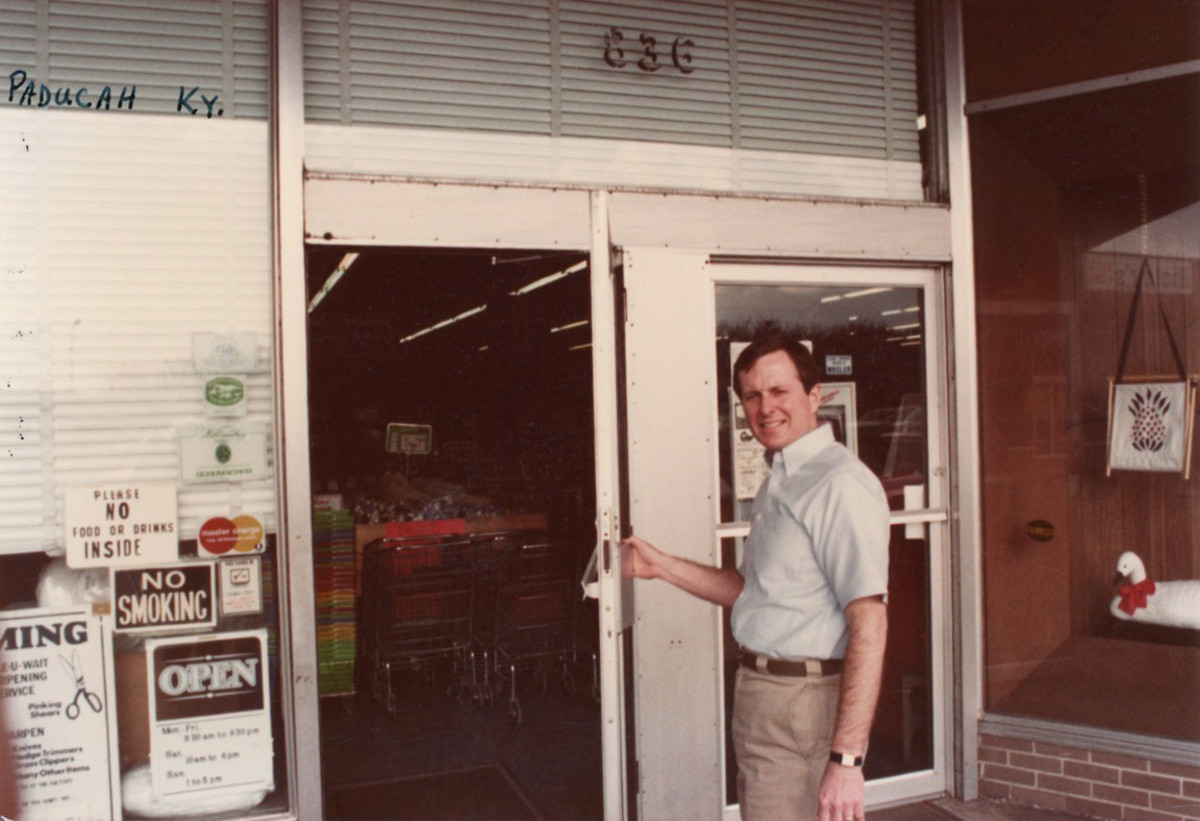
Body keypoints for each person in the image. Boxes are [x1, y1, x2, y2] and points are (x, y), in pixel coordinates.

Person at [624, 334, 889, 821]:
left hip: (802, 704)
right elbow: (752, 591)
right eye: (752, 396)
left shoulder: (839, 484)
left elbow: (870, 624)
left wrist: (847, 761)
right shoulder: (780, 481)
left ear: (815, 396)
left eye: (780, 391)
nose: (766, 408)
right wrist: (659, 566)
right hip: (764, 695)